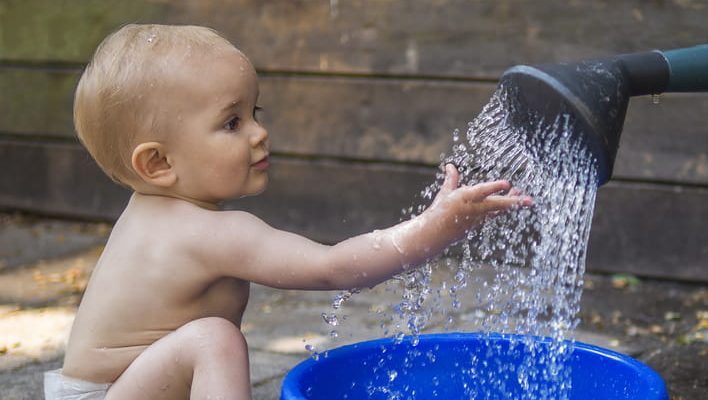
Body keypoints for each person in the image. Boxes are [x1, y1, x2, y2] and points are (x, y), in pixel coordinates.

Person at [44, 24, 532, 399]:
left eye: (256, 113)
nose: (258, 133)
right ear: (158, 163)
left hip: (112, 388)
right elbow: (334, 268)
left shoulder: (153, 213)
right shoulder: (205, 233)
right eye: (231, 122)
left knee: (208, 340)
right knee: (213, 340)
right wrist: (435, 227)